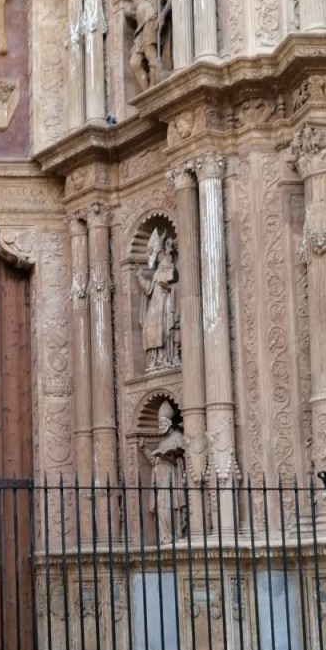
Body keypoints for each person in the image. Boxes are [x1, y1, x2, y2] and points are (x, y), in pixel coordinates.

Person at [144, 402, 187, 543]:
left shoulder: (177, 437)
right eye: (159, 423)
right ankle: (164, 537)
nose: (161, 426)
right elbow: (155, 462)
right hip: (161, 481)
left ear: (170, 422)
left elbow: (180, 456)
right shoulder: (162, 442)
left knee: (173, 507)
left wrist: (170, 456)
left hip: (172, 478)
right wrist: (145, 449)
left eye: (164, 422)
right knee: (162, 509)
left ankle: (176, 534)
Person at [136, 230, 178, 371]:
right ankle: (154, 360)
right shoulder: (158, 270)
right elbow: (150, 288)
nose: (155, 257)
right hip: (155, 305)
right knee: (150, 329)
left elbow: (170, 283)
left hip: (163, 304)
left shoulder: (166, 263)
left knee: (163, 330)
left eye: (155, 253)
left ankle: (165, 358)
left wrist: (168, 287)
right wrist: (140, 277)